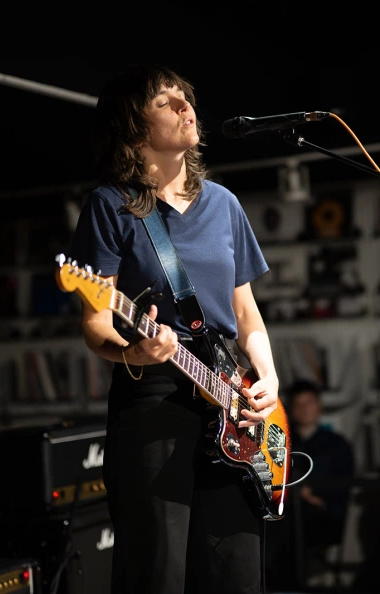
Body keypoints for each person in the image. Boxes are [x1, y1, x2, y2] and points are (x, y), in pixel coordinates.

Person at [67, 64, 281, 594]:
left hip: (233, 396)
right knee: (156, 568)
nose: (187, 107)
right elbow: (96, 321)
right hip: (156, 395)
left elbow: (246, 312)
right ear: (134, 128)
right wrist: (132, 353)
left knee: (236, 568)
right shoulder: (111, 206)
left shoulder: (224, 204)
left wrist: (269, 380)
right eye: (167, 101)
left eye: (186, 97)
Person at [264, 380, 354, 589]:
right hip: (283, 512)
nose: (304, 409)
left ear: (319, 406)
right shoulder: (281, 440)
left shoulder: (337, 444)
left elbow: (343, 487)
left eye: (309, 403)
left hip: (321, 517)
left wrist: (313, 498)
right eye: (298, 404)